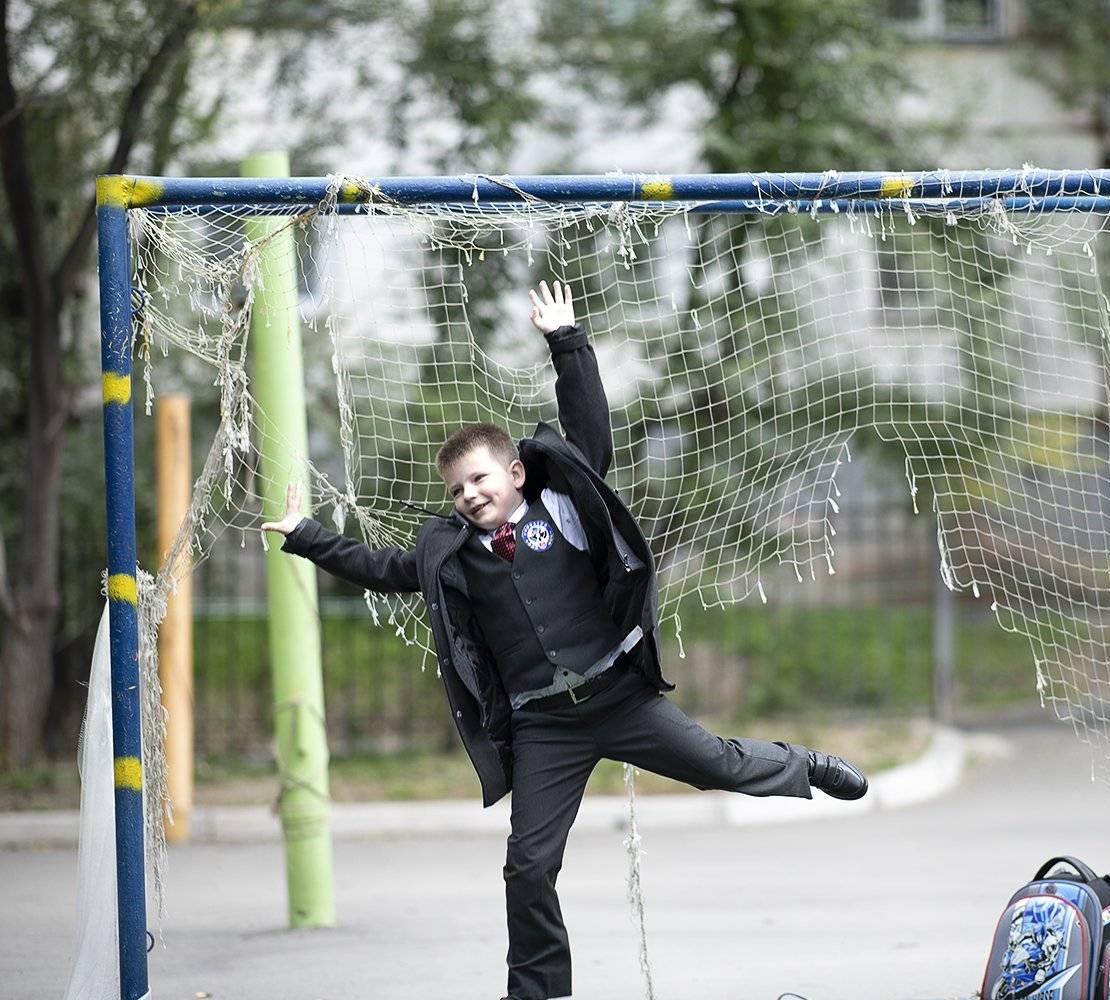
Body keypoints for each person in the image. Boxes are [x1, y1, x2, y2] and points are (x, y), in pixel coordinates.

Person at [262, 280, 868, 1000]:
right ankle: (536, 993)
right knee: (527, 865)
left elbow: (590, 438)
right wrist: (307, 537)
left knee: (717, 765)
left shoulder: (564, 509)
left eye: (480, 479)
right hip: (544, 725)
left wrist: (566, 342)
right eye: (456, 490)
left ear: (514, 473)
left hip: (619, 697)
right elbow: (382, 570)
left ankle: (806, 766)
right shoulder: (448, 553)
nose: (469, 496)